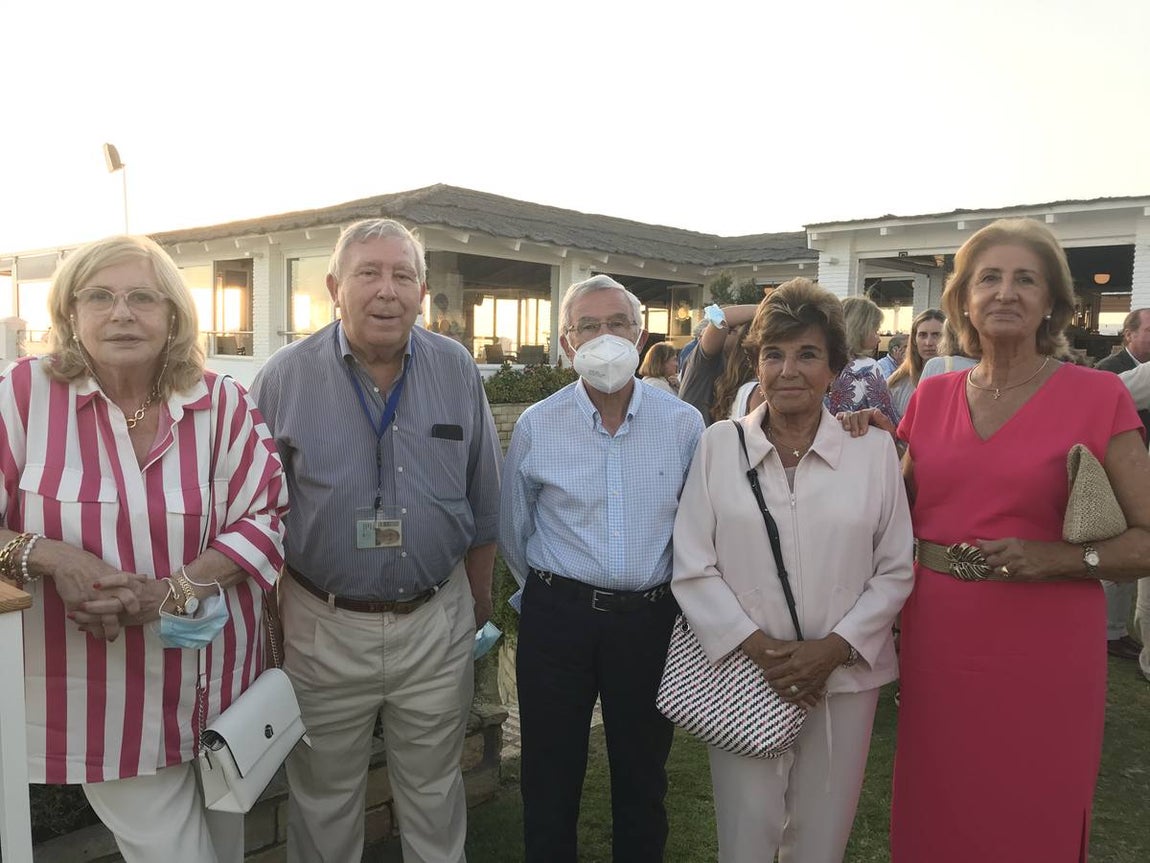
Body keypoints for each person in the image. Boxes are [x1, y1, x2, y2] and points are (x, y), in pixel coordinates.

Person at [863, 218, 1150, 861]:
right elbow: (890, 514)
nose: (1006, 293)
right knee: (940, 801)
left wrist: (1061, 558)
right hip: (940, 637)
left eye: (1027, 279)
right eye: (988, 278)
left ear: (1051, 300)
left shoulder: (1099, 395)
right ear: (963, 298)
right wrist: (853, 445)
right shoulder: (929, 398)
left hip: (1047, 644)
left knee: (1032, 804)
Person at [0, 235, 288, 863]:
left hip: (217, 688)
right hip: (100, 695)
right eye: (99, 296)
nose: (121, 313)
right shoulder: (22, 397)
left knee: (221, 847)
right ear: (71, 314)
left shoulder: (223, 403)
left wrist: (170, 593)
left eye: (141, 298)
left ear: (174, 317)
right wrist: (57, 558)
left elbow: (266, 514)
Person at [251, 218, 502, 863]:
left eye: (402, 275)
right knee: (324, 800)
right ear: (335, 286)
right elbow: (255, 509)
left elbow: (483, 503)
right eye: (369, 273)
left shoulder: (455, 370)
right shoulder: (284, 379)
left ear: (422, 292)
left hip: (434, 622)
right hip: (322, 624)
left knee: (434, 792)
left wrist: (474, 608)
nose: (386, 291)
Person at [673, 277, 913, 863]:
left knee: (821, 839)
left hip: (846, 681)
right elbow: (692, 564)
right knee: (746, 836)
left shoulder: (872, 451)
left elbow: (896, 568)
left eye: (808, 354)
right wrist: (758, 648)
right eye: (773, 354)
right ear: (756, 362)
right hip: (746, 677)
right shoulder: (717, 447)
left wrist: (834, 648)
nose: (788, 370)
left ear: (834, 366)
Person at [500, 274, 704, 863]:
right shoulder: (539, 425)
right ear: (567, 343)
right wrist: (547, 593)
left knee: (643, 776)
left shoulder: (682, 425)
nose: (604, 336)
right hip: (558, 619)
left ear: (640, 337)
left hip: (649, 622)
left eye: (617, 324)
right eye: (588, 326)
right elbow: (516, 528)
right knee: (548, 774)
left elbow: (697, 524)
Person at [1094, 309, 1150, 661]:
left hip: (1137, 473)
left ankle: (1115, 631)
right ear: (1128, 334)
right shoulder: (1109, 371)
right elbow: (1097, 408)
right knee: (1117, 554)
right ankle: (1110, 632)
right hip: (1120, 473)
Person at [678, 302, 760, 424]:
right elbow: (720, 317)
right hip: (696, 441)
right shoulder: (702, 363)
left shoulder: (743, 376)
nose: (725, 331)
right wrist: (769, 307)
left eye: (732, 330)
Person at [825, 296, 899, 425]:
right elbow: (888, 419)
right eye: (875, 331)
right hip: (857, 439)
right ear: (860, 330)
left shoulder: (823, 364)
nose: (879, 339)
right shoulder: (866, 367)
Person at [885, 310, 945, 419]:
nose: (928, 343)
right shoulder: (896, 383)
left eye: (936, 335)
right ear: (914, 340)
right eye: (922, 335)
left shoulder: (960, 379)